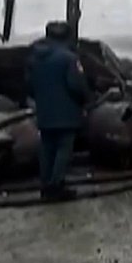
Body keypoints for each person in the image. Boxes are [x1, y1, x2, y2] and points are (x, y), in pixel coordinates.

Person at [26, 21, 90, 201]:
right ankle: (57, 185)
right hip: (66, 112)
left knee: (46, 148)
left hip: (44, 111)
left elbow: (29, 86)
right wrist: (87, 99)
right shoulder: (69, 58)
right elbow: (76, 85)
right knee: (64, 148)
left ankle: (45, 185)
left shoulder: (34, 58)